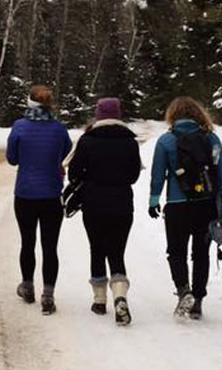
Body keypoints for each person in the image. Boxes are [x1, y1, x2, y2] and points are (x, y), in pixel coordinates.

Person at [148, 96, 222, 320]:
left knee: (176, 251)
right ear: (199, 114)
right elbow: (221, 173)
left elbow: (158, 175)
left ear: (173, 116)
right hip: (206, 205)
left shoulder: (166, 142)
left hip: (177, 206)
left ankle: (183, 290)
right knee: (200, 253)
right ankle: (198, 300)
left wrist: (154, 200)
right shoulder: (212, 139)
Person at [66, 97, 142, 326]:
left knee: (97, 248)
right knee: (117, 251)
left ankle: (100, 300)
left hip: (93, 202)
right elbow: (133, 176)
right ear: (118, 115)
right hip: (122, 203)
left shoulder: (87, 140)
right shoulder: (130, 141)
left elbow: (74, 174)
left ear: (98, 115)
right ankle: (120, 295)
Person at [6, 85, 73, 315]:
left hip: (25, 193)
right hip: (52, 195)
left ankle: (27, 286)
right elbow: (67, 150)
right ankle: (48, 295)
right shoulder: (58, 129)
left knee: (27, 242)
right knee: (50, 246)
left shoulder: (19, 127)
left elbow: (12, 159)